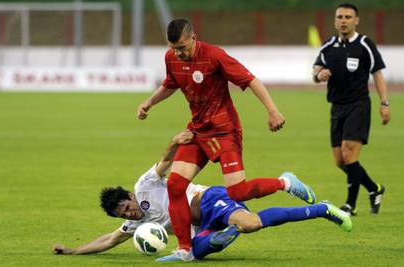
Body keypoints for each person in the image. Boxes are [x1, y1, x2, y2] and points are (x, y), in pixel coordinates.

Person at [136, 18, 303, 261]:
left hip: (225, 132)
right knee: (175, 185)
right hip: (197, 132)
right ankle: (185, 249)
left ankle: (284, 182)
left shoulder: (214, 55)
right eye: (173, 48)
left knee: (237, 191)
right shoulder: (171, 58)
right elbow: (170, 84)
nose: (178, 53)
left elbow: (251, 80)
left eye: (182, 47)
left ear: (193, 38)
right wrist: (149, 102)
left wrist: (272, 110)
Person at [53, 130, 352, 260]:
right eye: (124, 215)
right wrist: (73, 251)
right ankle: (222, 236)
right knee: (195, 252)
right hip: (204, 223)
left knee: (252, 224)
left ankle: (318, 206)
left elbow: (164, 163)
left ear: (131, 196)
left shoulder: (145, 186)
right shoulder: (135, 227)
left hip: (208, 200)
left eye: (127, 208)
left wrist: (173, 142)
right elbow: (108, 240)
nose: (130, 215)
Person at [312, 3, 390, 216]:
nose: (343, 20)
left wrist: (385, 103)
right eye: (340, 17)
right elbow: (315, 70)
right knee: (340, 160)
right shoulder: (329, 45)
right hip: (337, 107)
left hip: (359, 105)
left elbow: (378, 74)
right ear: (335, 20)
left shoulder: (365, 44)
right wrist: (319, 75)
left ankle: (350, 205)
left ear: (356, 20)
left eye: (348, 17)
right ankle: (374, 189)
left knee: (349, 153)